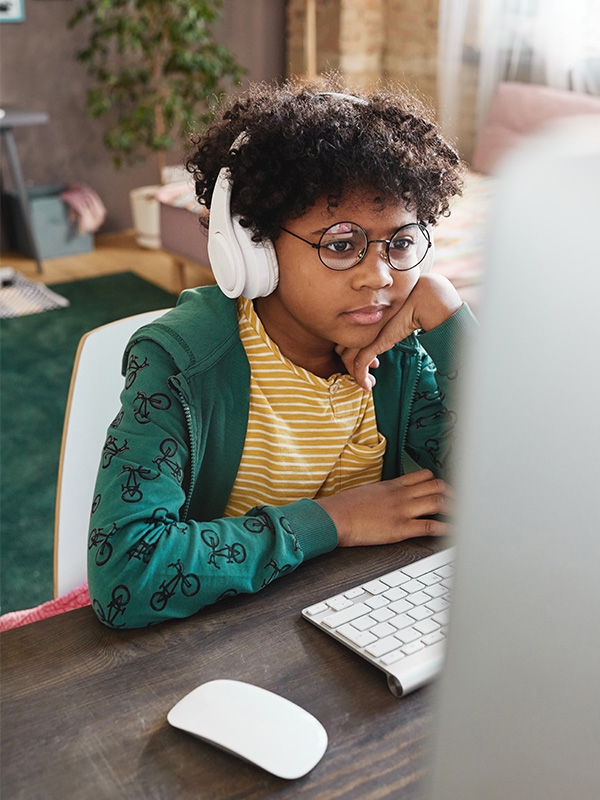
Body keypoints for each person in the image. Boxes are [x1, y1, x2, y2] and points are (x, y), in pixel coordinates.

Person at [88, 80, 476, 629]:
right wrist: (331, 521)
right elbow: (126, 575)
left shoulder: (400, 352)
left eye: (402, 241)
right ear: (255, 248)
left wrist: (447, 315)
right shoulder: (182, 364)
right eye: (341, 244)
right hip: (215, 640)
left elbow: (513, 487)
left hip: (356, 620)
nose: (381, 276)